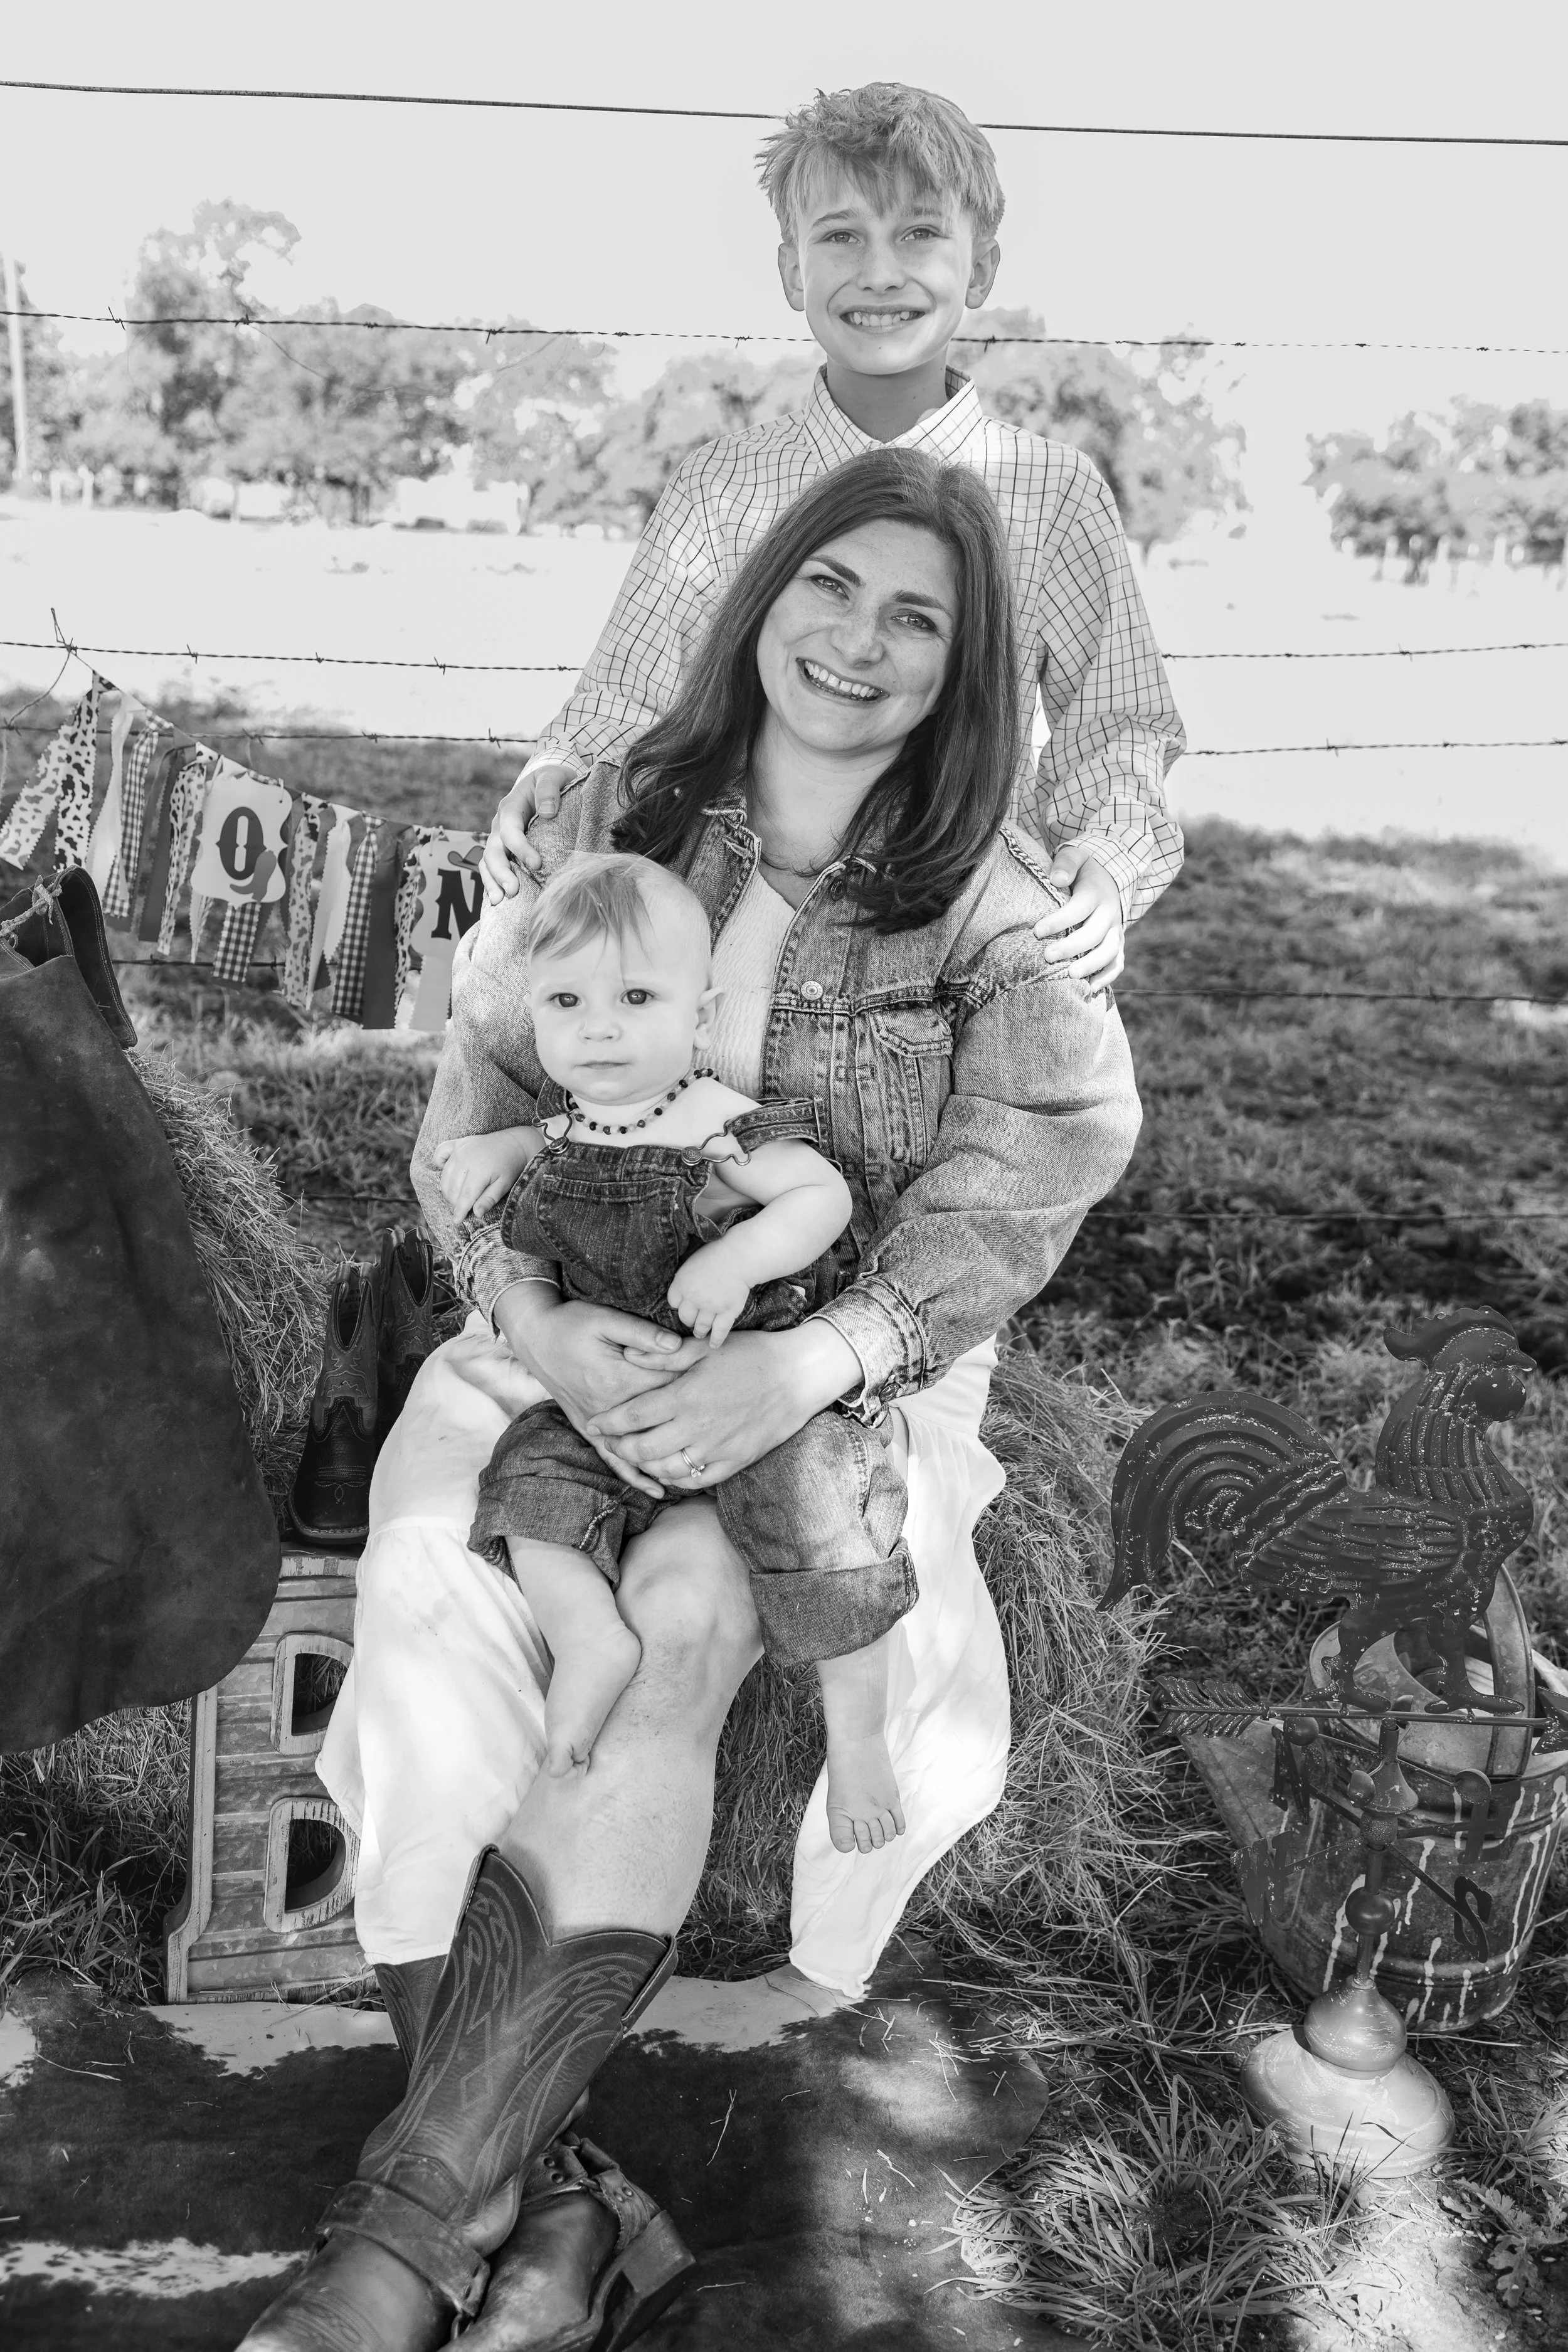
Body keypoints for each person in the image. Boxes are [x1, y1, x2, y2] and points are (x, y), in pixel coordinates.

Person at [240, 447, 1141, 2352]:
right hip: (554, 1334)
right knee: (426, 1604)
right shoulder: (606, 812)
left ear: (969, 670)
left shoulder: (988, 895)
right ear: (763, 597)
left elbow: (1051, 1149)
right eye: (833, 586)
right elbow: (467, 1124)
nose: (860, 640)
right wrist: (535, 1320)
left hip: (843, 1360)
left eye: (922, 618)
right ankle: (544, 2215)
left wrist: (813, 1353)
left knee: (689, 1613)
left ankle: (396, 2248)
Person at [480, 80, 1185, 994]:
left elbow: (1119, 723)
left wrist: (1106, 856)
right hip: (714, 932)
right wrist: (557, 776)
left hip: (941, 948)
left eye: (921, 233)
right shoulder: (723, 483)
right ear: (791, 270)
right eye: (841, 234)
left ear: (981, 269)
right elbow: (629, 695)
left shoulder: (1052, 493)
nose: (881, 271)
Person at [434, 850, 913, 1854]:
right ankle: (588, 1638)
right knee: (529, 1486)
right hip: (607, 1405)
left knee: (824, 1529)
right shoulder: (560, 1127)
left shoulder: (717, 1126)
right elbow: (529, 1160)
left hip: (754, 1389)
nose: (599, 1025)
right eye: (567, 999)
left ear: (697, 1020)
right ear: (534, 1015)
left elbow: (821, 1199)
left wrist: (738, 1258)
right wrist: (491, 1153)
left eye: (636, 996)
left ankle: (857, 1733)